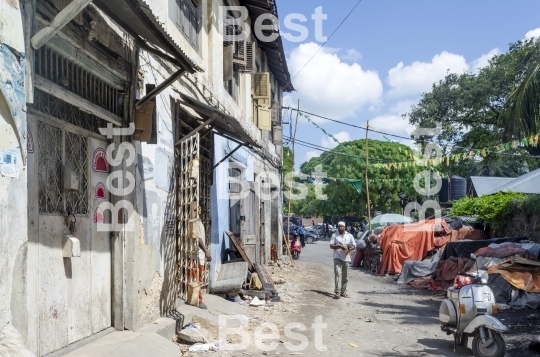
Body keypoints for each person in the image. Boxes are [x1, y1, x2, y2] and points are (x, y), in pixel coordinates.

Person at [330, 221, 356, 299]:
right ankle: (337, 292)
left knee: (345, 275)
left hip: (346, 257)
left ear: (344, 227)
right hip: (337, 256)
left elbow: (354, 245)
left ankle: (343, 291)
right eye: (339, 226)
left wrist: (349, 248)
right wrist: (338, 246)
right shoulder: (335, 235)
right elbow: (331, 245)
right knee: (337, 272)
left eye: (341, 226)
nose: (340, 228)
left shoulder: (349, 236)